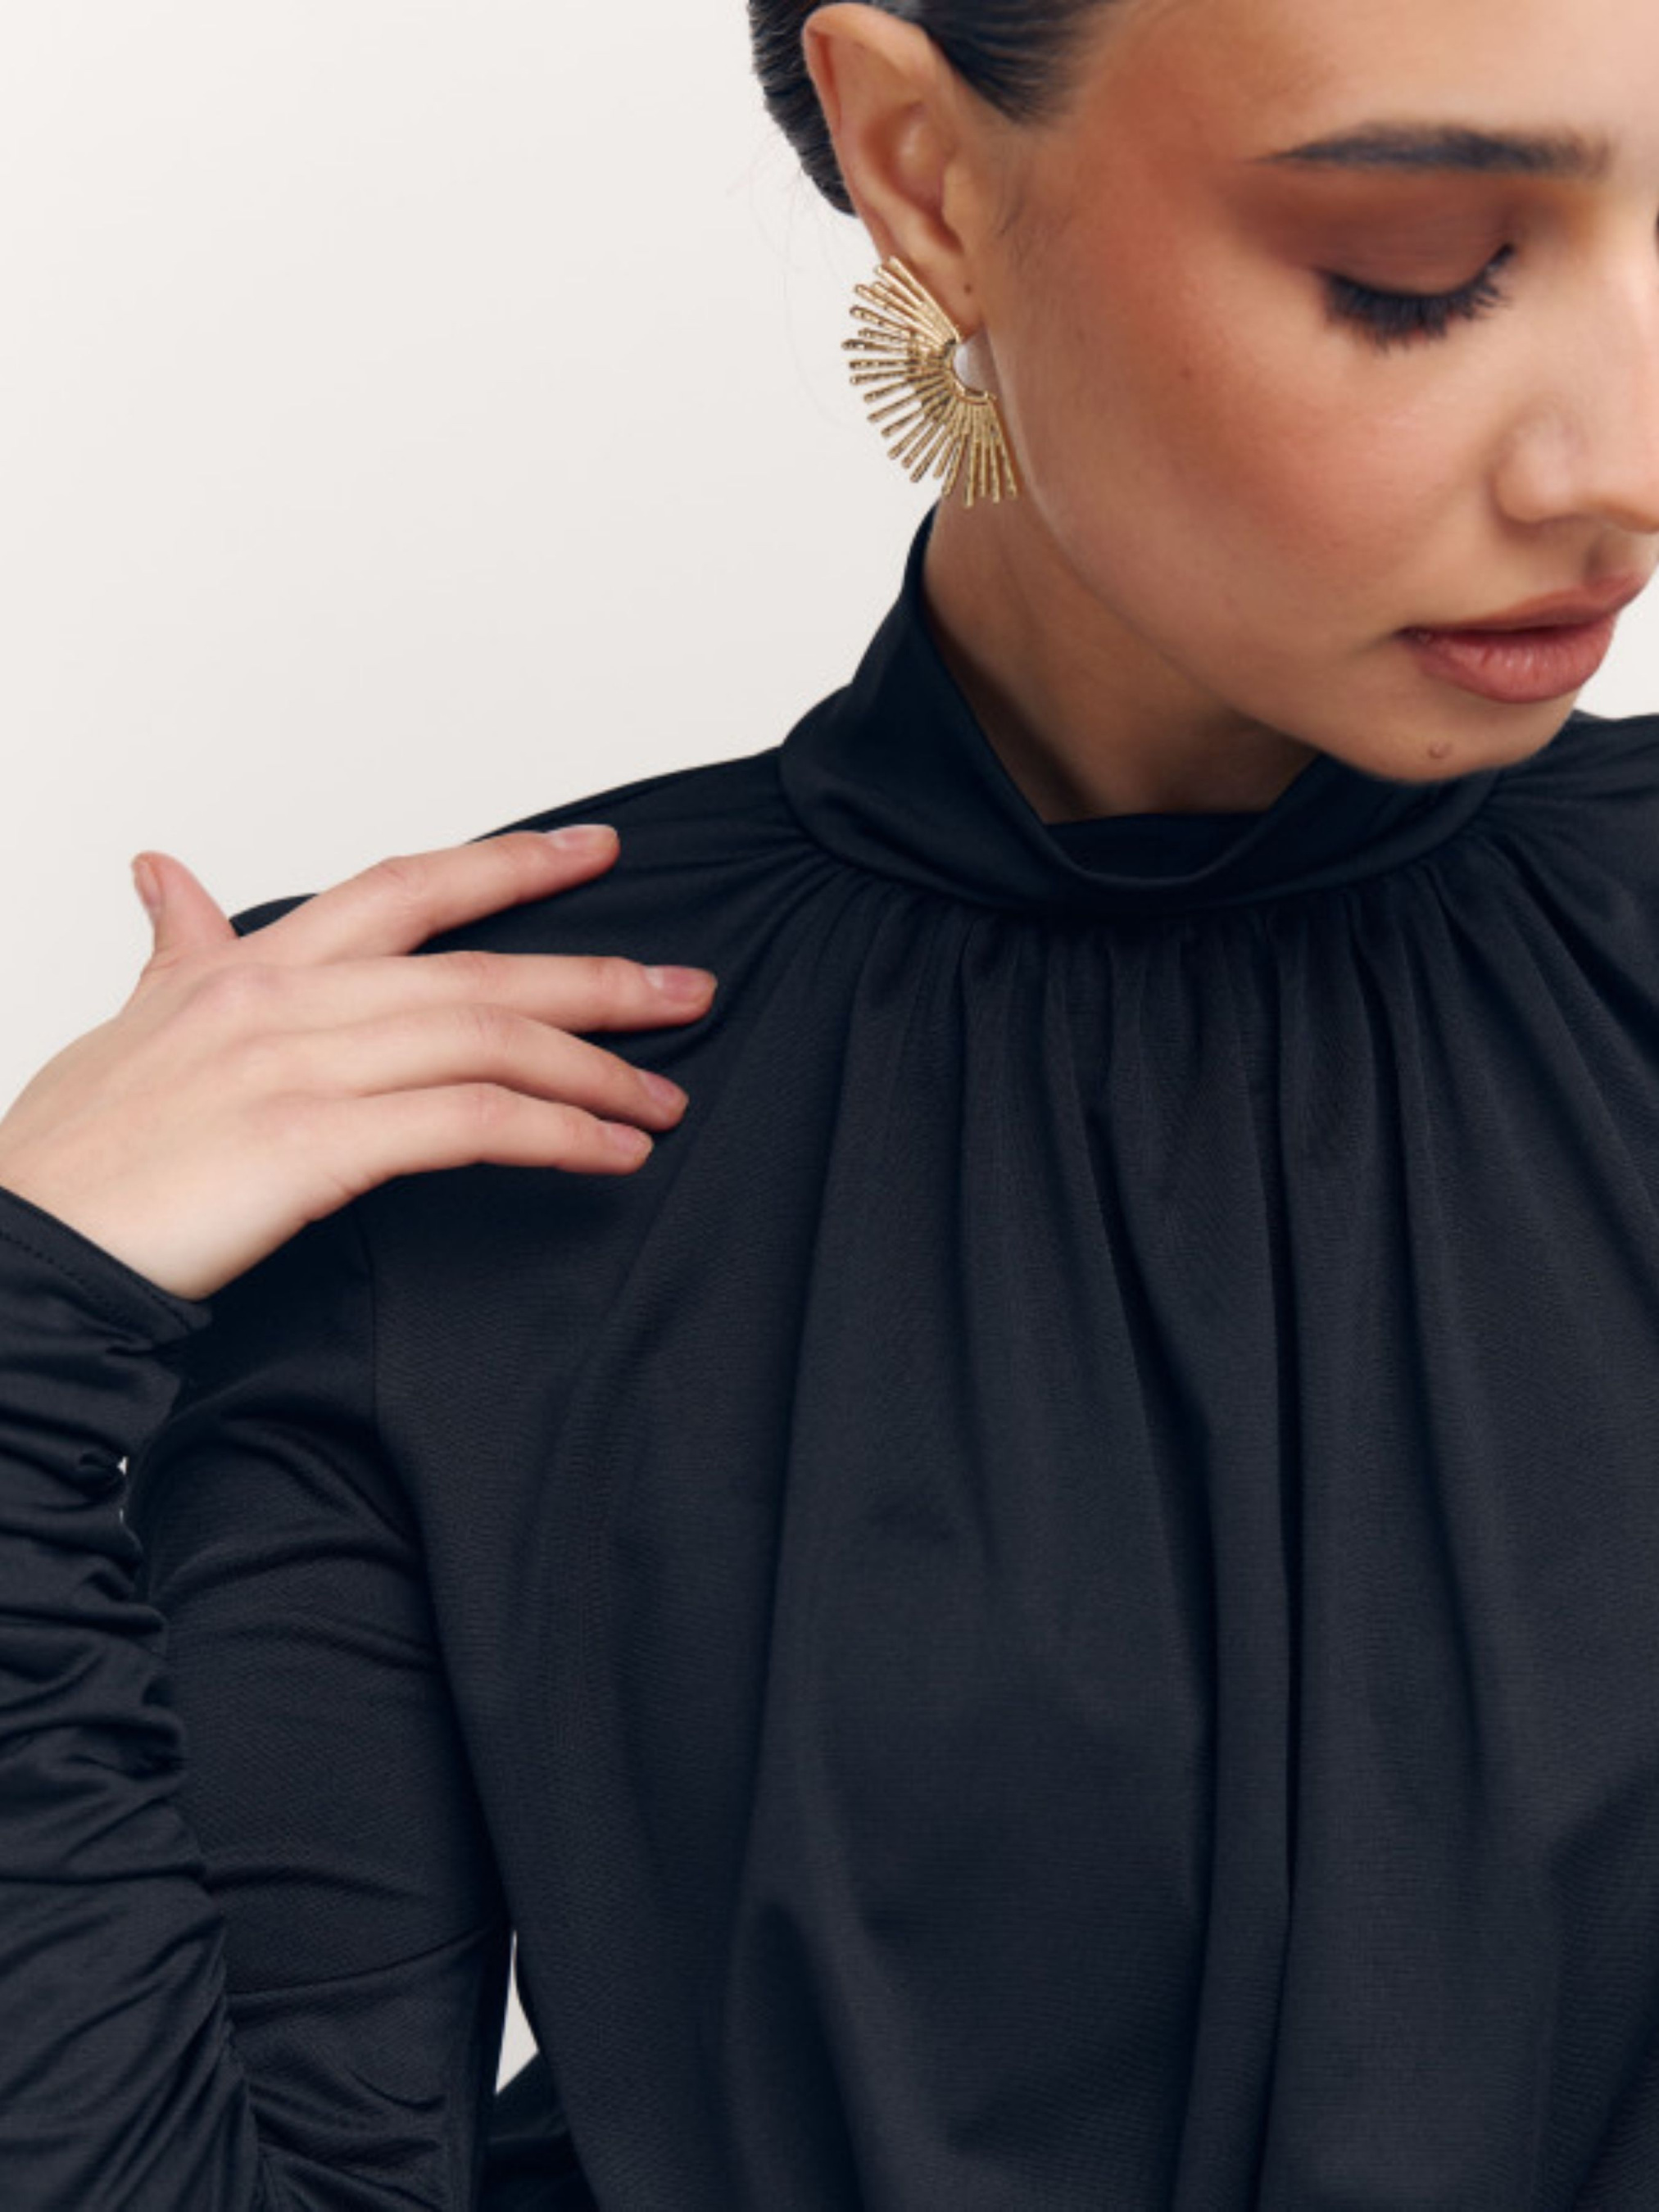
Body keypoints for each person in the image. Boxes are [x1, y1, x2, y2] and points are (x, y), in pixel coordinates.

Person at [2, 0, 1659, 2202]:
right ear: (926, 172)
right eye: (1419, 268)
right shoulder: (450, 1106)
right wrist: (28, 1328)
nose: (1625, 465)